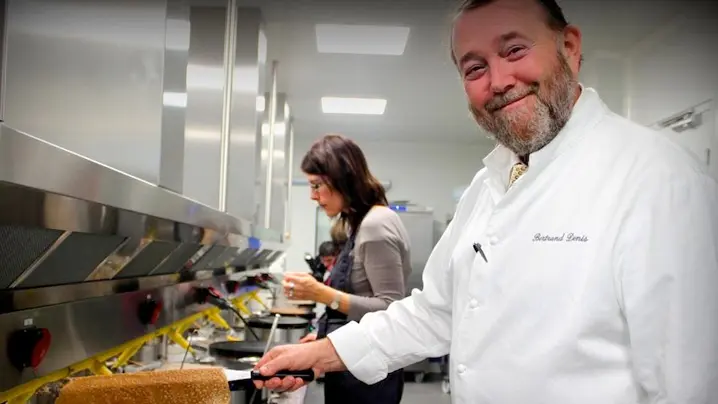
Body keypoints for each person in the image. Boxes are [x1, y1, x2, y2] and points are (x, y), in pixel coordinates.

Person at [253, 0, 718, 402]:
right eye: (474, 68)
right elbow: (436, 312)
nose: (497, 81)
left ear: (569, 48)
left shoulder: (657, 178)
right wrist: (324, 353)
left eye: (515, 50)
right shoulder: (488, 184)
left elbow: (690, 387)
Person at [280, 134, 413, 403]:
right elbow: (360, 298)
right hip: (353, 358)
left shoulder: (376, 224)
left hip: (369, 373)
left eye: (317, 185)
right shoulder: (359, 223)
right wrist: (323, 338)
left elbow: (389, 307)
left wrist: (320, 293)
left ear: (343, 179)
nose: (313, 196)